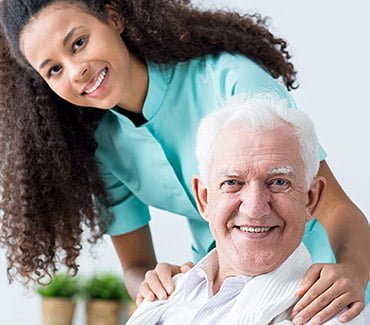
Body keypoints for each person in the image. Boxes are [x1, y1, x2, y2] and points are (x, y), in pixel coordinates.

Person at [0, 1, 368, 324]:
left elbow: (338, 210)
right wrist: (154, 282)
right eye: (53, 70)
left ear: (113, 18)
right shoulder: (100, 147)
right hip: (222, 297)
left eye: (78, 43)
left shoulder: (229, 80)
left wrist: (351, 272)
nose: (75, 70)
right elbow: (135, 266)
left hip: (319, 290)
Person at [126, 95, 365, 324]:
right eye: (232, 182)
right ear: (204, 198)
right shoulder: (166, 293)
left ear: (311, 199)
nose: (255, 208)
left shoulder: (328, 315)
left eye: (279, 182)